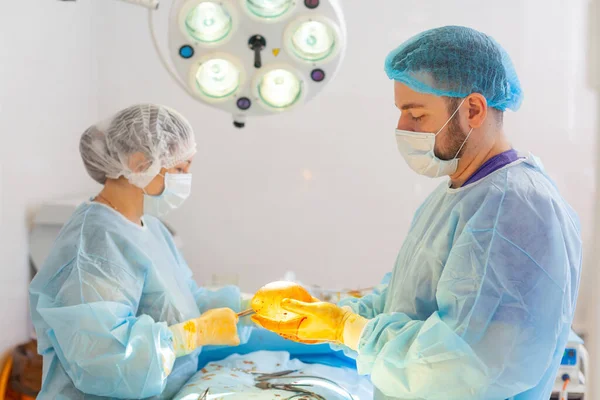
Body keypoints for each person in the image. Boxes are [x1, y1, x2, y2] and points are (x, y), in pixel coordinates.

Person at [251, 26, 582, 399]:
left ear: (473, 109)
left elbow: (462, 365)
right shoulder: (454, 196)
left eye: (417, 114)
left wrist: (347, 328)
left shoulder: (515, 208)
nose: (401, 128)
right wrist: (330, 314)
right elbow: (401, 302)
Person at [29, 104, 250, 399]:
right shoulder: (94, 244)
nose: (185, 180)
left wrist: (251, 307)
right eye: (179, 169)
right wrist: (192, 335)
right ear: (138, 164)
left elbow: (185, 299)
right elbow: (101, 359)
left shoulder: (151, 228)